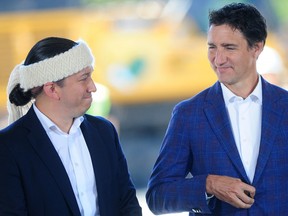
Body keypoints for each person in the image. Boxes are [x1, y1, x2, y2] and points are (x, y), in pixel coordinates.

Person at [146, 3, 288, 215]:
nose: (218, 59)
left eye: (229, 47)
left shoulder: (284, 107)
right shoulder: (188, 114)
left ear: (256, 47)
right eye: (212, 47)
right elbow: (157, 196)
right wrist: (208, 185)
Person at [0, 37, 142, 216]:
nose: (92, 87)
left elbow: (127, 201)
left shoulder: (104, 132)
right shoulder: (8, 147)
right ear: (52, 89)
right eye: (84, 78)